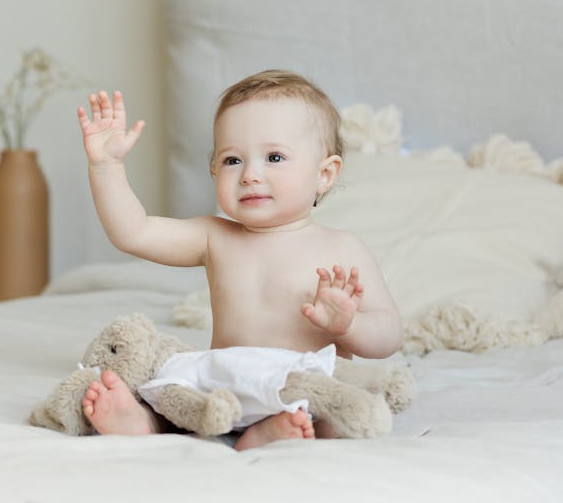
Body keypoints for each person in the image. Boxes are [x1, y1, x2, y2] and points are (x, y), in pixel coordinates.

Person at [77, 70, 403, 450]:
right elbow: (132, 233)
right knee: (172, 389)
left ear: (325, 174)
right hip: (224, 387)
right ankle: (143, 422)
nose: (250, 175)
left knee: (339, 415)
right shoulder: (215, 237)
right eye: (232, 160)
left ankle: (275, 431)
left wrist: (348, 324)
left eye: (274, 157)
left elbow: (389, 336)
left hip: (298, 387)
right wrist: (107, 167)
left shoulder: (342, 248)